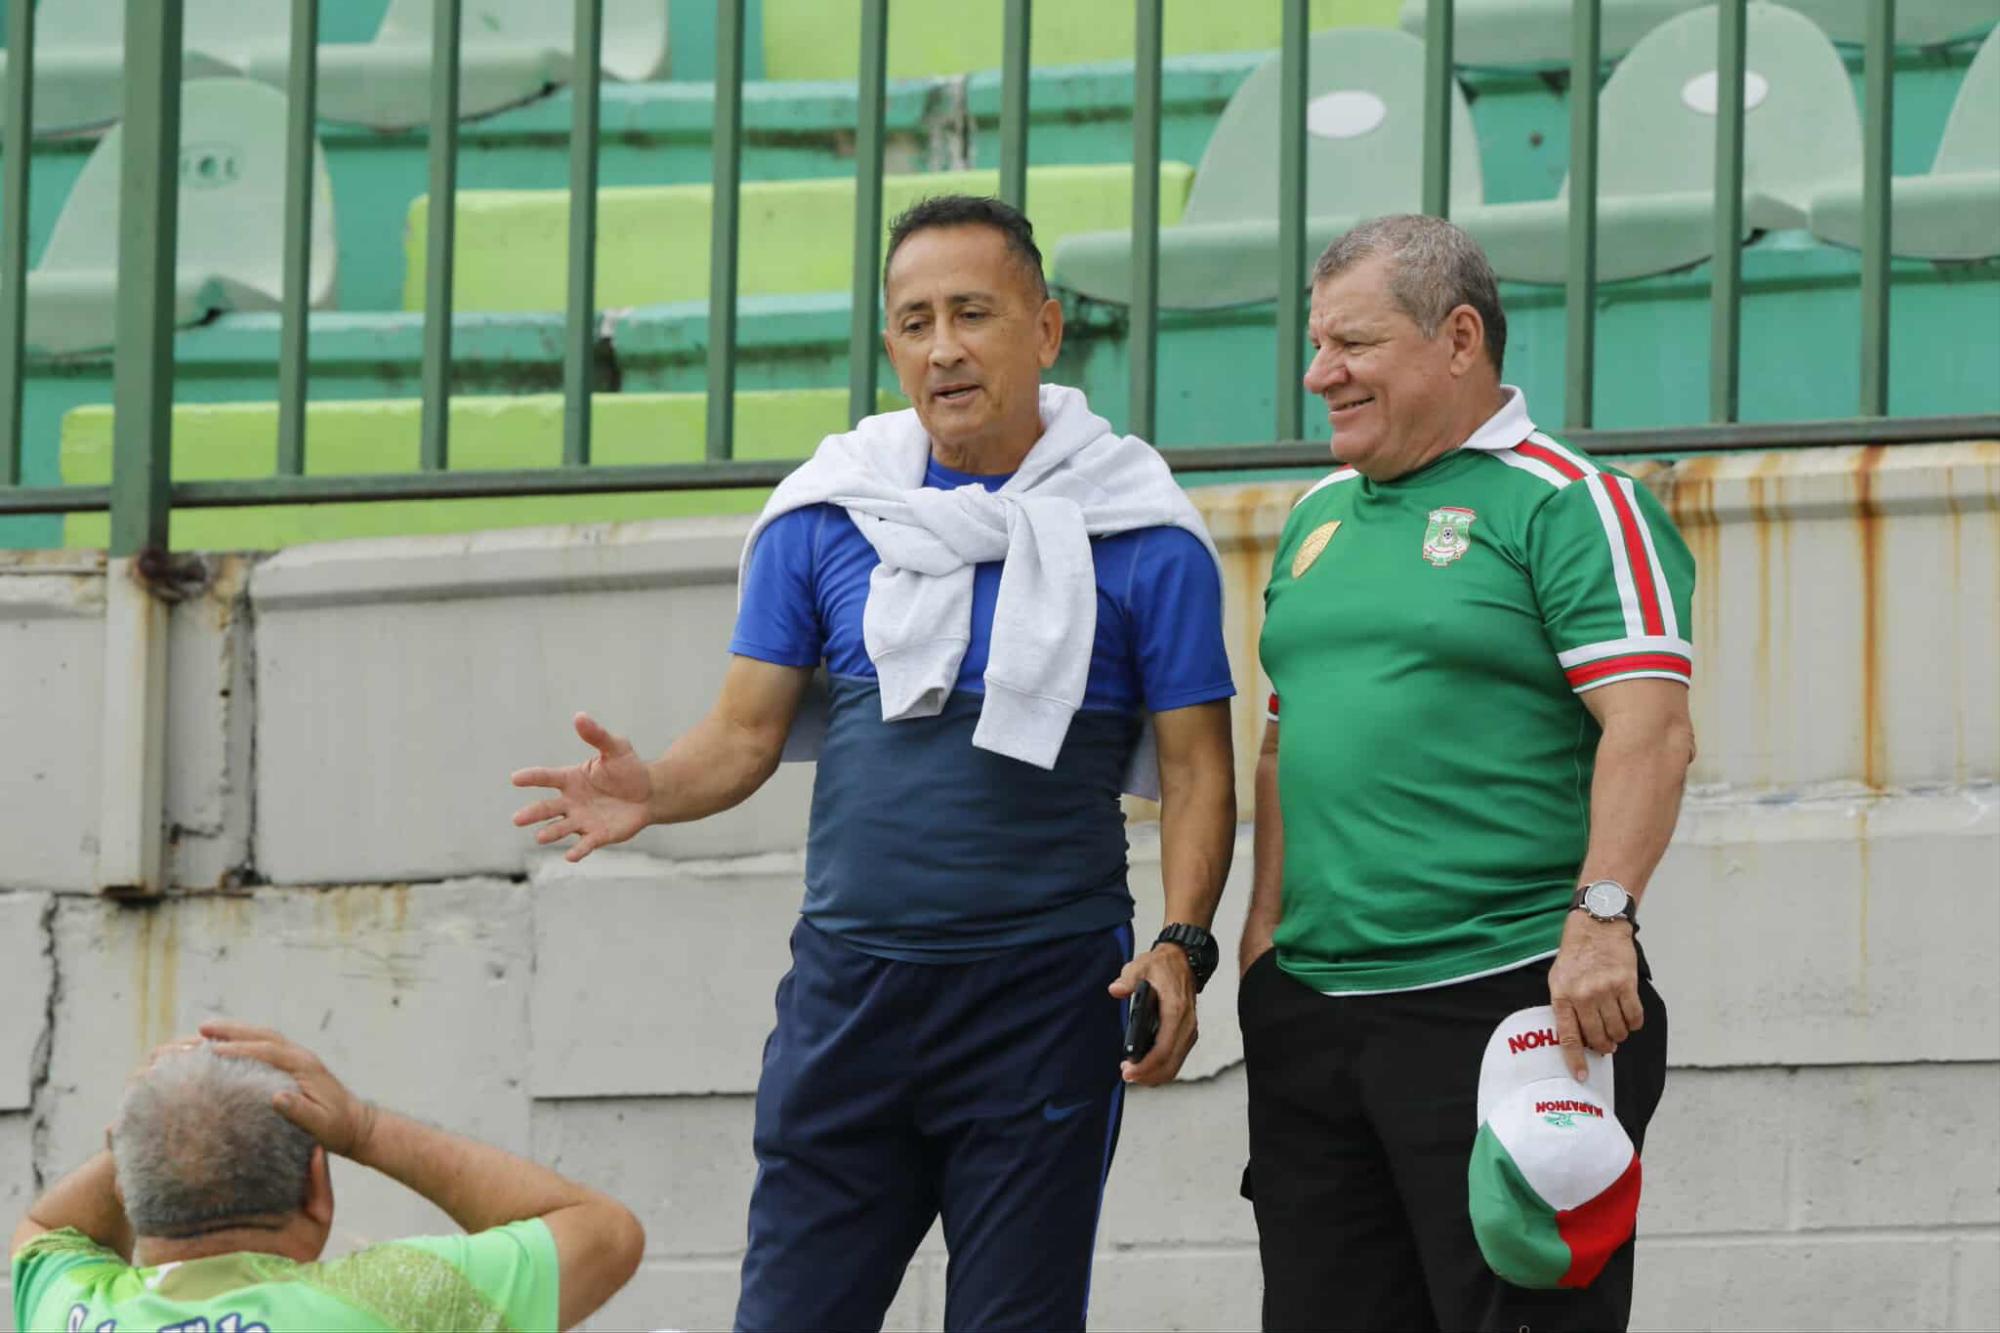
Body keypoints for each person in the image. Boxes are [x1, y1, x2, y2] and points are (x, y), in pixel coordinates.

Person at [510, 194, 1238, 1333]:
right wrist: (653, 788)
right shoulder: (828, 511)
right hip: (849, 999)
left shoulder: (1139, 531)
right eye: (913, 321)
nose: (942, 347)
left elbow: (1197, 770)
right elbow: (747, 732)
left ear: (1044, 330)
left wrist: (1180, 942)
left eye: (971, 313)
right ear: (889, 344)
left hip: (1043, 998)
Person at [1239, 214, 1696, 1332]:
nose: (1319, 374)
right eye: (1313, 344)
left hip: (1502, 1010)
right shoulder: (1314, 518)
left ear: (1456, 339)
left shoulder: (1572, 503)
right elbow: (1282, 741)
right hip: (1316, 1020)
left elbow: (1650, 728)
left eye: (1351, 344)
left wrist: (1601, 921)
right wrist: (1260, 950)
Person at [10, 1023, 644, 1333]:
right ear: (318, 1187)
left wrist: (151, 1126)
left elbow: (46, 1228)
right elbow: (605, 1233)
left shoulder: (71, 1311)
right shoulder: (397, 1302)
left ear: (128, 1185)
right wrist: (364, 1129)